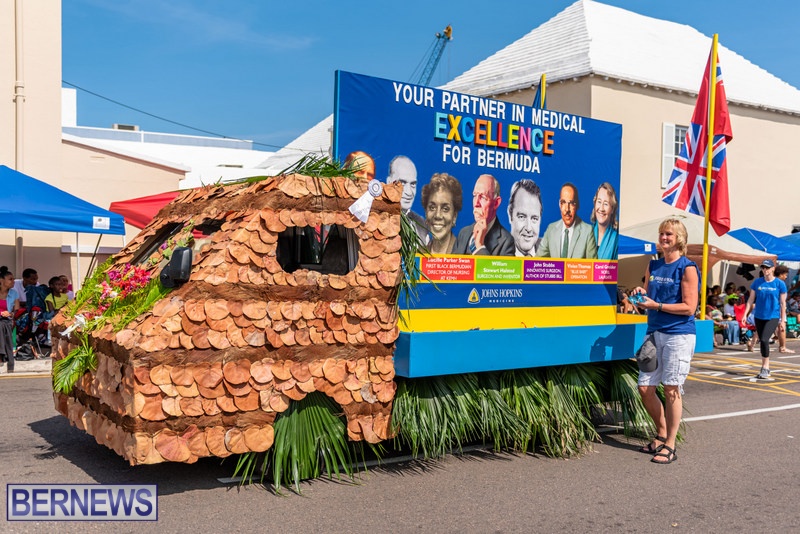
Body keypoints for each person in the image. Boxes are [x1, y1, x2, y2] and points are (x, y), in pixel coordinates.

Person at [631, 218, 698, 464]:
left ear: (679, 238)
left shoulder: (687, 267)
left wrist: (657, 305)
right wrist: (640, 294)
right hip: (654, 333)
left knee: (671, 388)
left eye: (668, 234)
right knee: (645, 388)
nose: (663, 237)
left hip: (678, 335)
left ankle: (670, 444)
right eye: (661, 233)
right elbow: (646, 297)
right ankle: (661, 433)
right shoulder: (653, 265)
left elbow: (689, 307)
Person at [742, 259, 787, 379]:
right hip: (759, 316)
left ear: (773, 269)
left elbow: (783, 303)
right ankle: (764, 366)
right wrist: (745, 314)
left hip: (773, 316)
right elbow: (751, 300)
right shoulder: (757, 282)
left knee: (765, 339)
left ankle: (765, 367)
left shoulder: (779, 284)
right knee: (762, 341)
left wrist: (782, 320)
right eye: (763, 267)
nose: (765, 269)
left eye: (767, 267)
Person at [453, 174, 515, 256]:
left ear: (496, 203)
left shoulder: (506, 241)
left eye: (483, 197)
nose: (476, 203)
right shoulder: (463, 233)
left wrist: (480, 247)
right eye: (475, 196)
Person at [537, 183, 598, 259]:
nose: (567, 209)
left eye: (571, 203)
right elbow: (536, 262)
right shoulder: (551, 229)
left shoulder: (587, 232)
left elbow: (592, 265)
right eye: (563, 202)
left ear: (577, 205)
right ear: (560, 205)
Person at [386, 155, 427, 241]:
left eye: (413, 184)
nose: (409, 192)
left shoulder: (421, 224)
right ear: (389, 182)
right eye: (402, 183)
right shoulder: (376, 218)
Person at [421, 173, 462, 254]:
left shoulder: (465, 255)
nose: (438, 215)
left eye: (445, 209)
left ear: (454, 216)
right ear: (426, 212)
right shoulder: (417, 255)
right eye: (432, 207)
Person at [507, 179, 542, 257]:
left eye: (534, 218)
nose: (528, 228)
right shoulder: (494, 253)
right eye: (522, 217)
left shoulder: (553, 251)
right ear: (510, 215)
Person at [590, 182, 619, 260]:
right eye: (599, 202)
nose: (601, 208)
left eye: (606, 204)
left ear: (612, 209)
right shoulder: (586, 235)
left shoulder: (617, 239)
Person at [0, 266, 20, 373]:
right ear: (1, 280)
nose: (13, 281)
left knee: (3, 325)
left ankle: (1, 354)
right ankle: (7, 358)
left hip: (7, 320)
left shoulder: (14, 293)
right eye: (10, 279)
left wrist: (10, 313)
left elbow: (17, 310)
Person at [773, 264, 794, 354]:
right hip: (779, 308)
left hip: (771, 308)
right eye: (785, 275)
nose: (786, 277)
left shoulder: (770, 281)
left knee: (764, 326)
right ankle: (783, 347)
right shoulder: (781, 283)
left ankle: (752, 342)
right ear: (781, 274)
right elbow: (782, 300)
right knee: (782, 327)